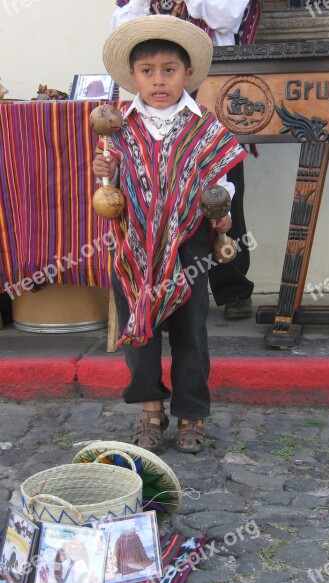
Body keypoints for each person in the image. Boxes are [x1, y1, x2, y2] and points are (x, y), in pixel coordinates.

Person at [93, 15, 247, 452]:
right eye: (147, 71)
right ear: (134, 77)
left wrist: (222, 209)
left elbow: (222, 180)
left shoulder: (205, 127)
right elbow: (110, 190)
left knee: (190, 333)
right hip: (133, 249)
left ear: (188, 73)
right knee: (139, 331)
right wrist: (105, 172)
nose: (158, 80)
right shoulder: (117, 126)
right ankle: (150, 410)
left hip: (189, 247)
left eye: (169, 70)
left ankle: (191, 415)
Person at [111, 0, 260, 319]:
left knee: (223, 189)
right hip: (158, 102)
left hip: (216, 90)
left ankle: (232, 287)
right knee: (159, 194)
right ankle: (166, 293)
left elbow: (228, 15)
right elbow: (121, 31)